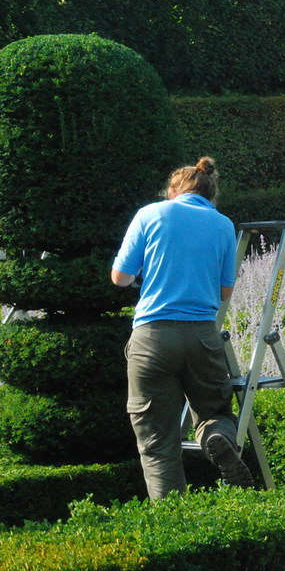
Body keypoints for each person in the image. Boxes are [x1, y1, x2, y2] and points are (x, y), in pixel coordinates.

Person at [111, 156, 253, 499]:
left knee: (156, 440)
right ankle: (215, 436)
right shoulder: (222, 224)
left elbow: (120, 278)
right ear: (210, 193)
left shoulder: (151, 214)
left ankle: (175, 519)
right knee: (214, 411)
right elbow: (224, 290)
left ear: (173, 190)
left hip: (153, 336)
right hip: (203, 334)